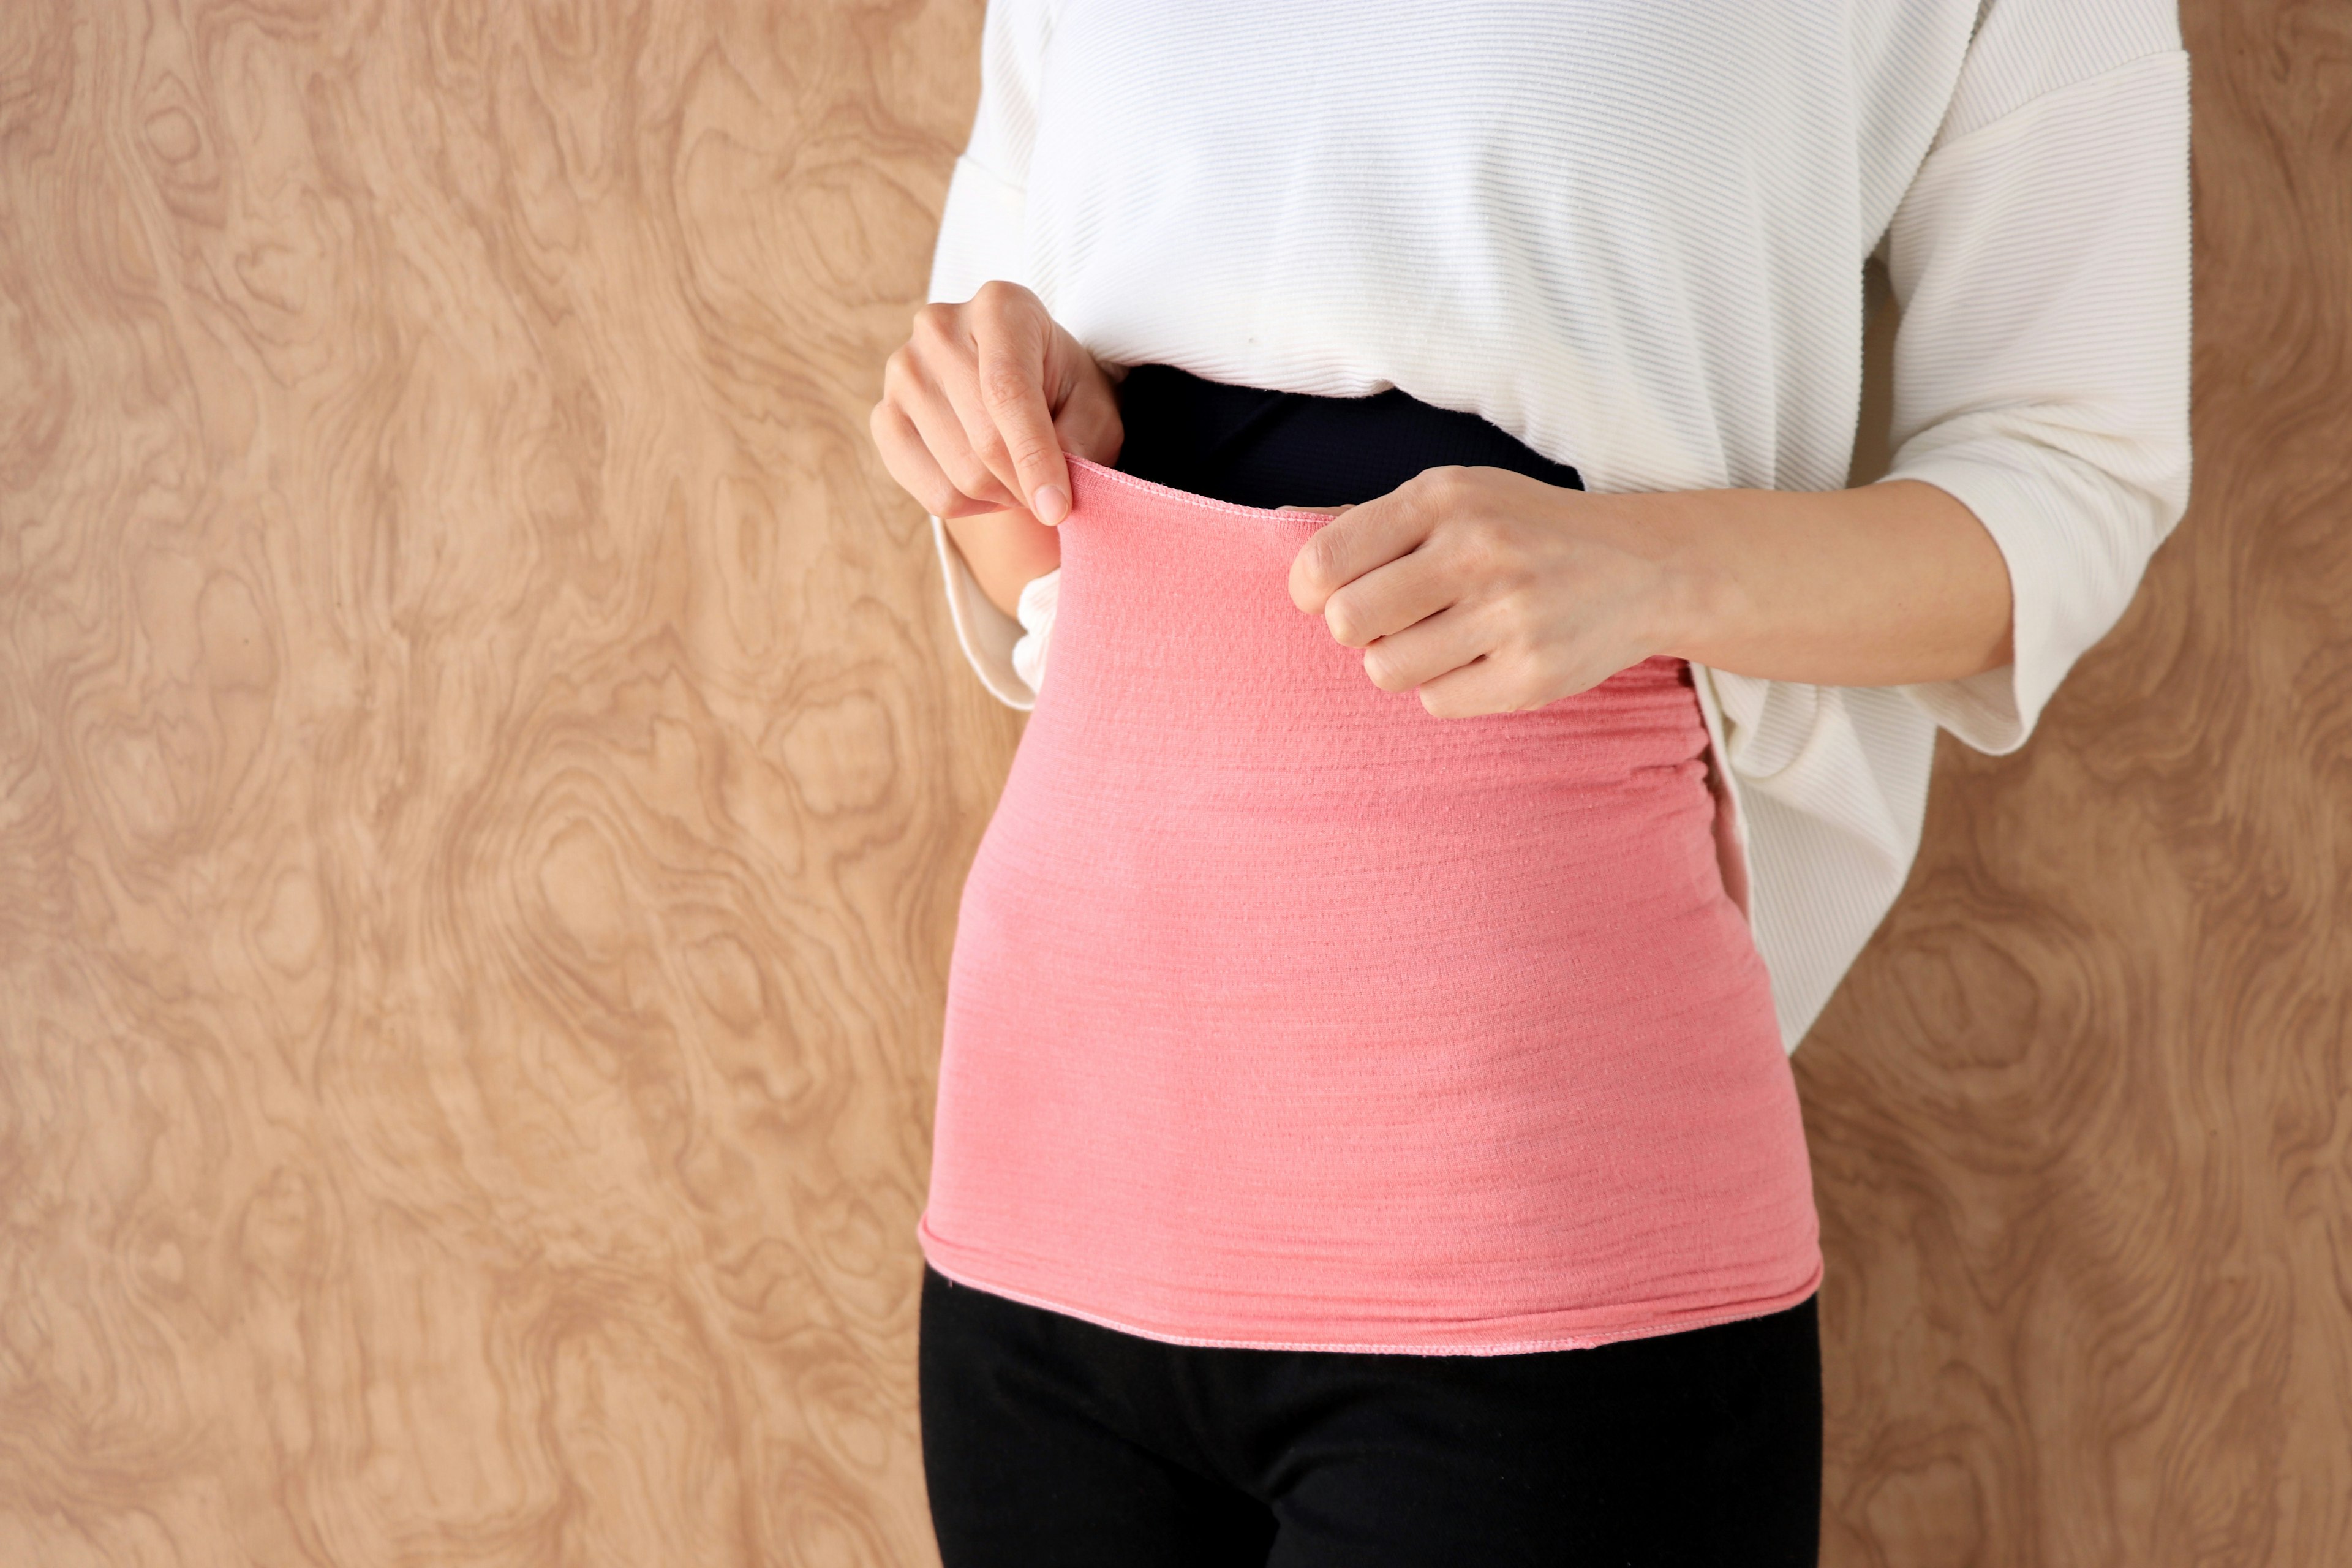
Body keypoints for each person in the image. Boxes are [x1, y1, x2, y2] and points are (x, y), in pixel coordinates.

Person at [869, 2, 2190, 1562]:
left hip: (1531, 1202)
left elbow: (2073, 477)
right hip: (1050, 1180)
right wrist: (994, 426)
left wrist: (1638, 566)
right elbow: (1030, 547)